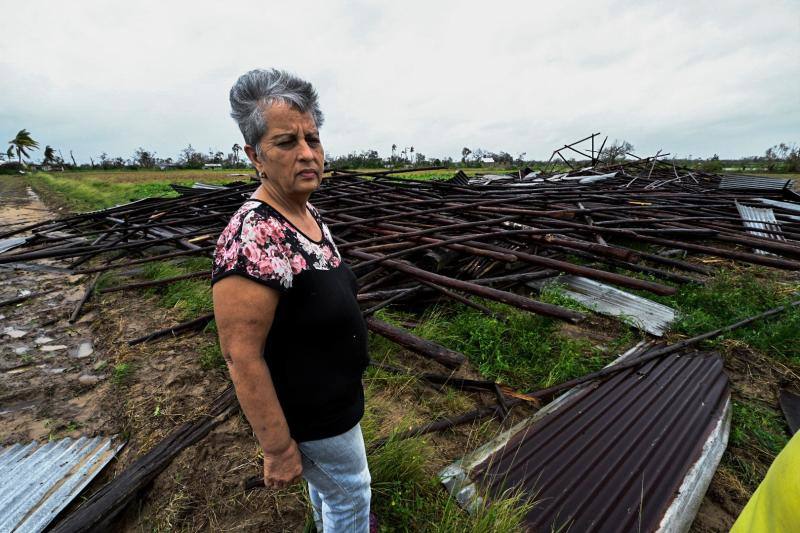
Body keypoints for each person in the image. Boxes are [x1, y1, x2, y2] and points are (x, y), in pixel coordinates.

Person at [211, 68, 372, 532]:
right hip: (309, 416)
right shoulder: (253, 236)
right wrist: (279, 449)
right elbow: (241, 355)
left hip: (336, 404)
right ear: (254, 155)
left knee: (335, 491)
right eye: (286, 142)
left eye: (313, 139)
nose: (307, 154)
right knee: (350, 495)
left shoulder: (307, 213)